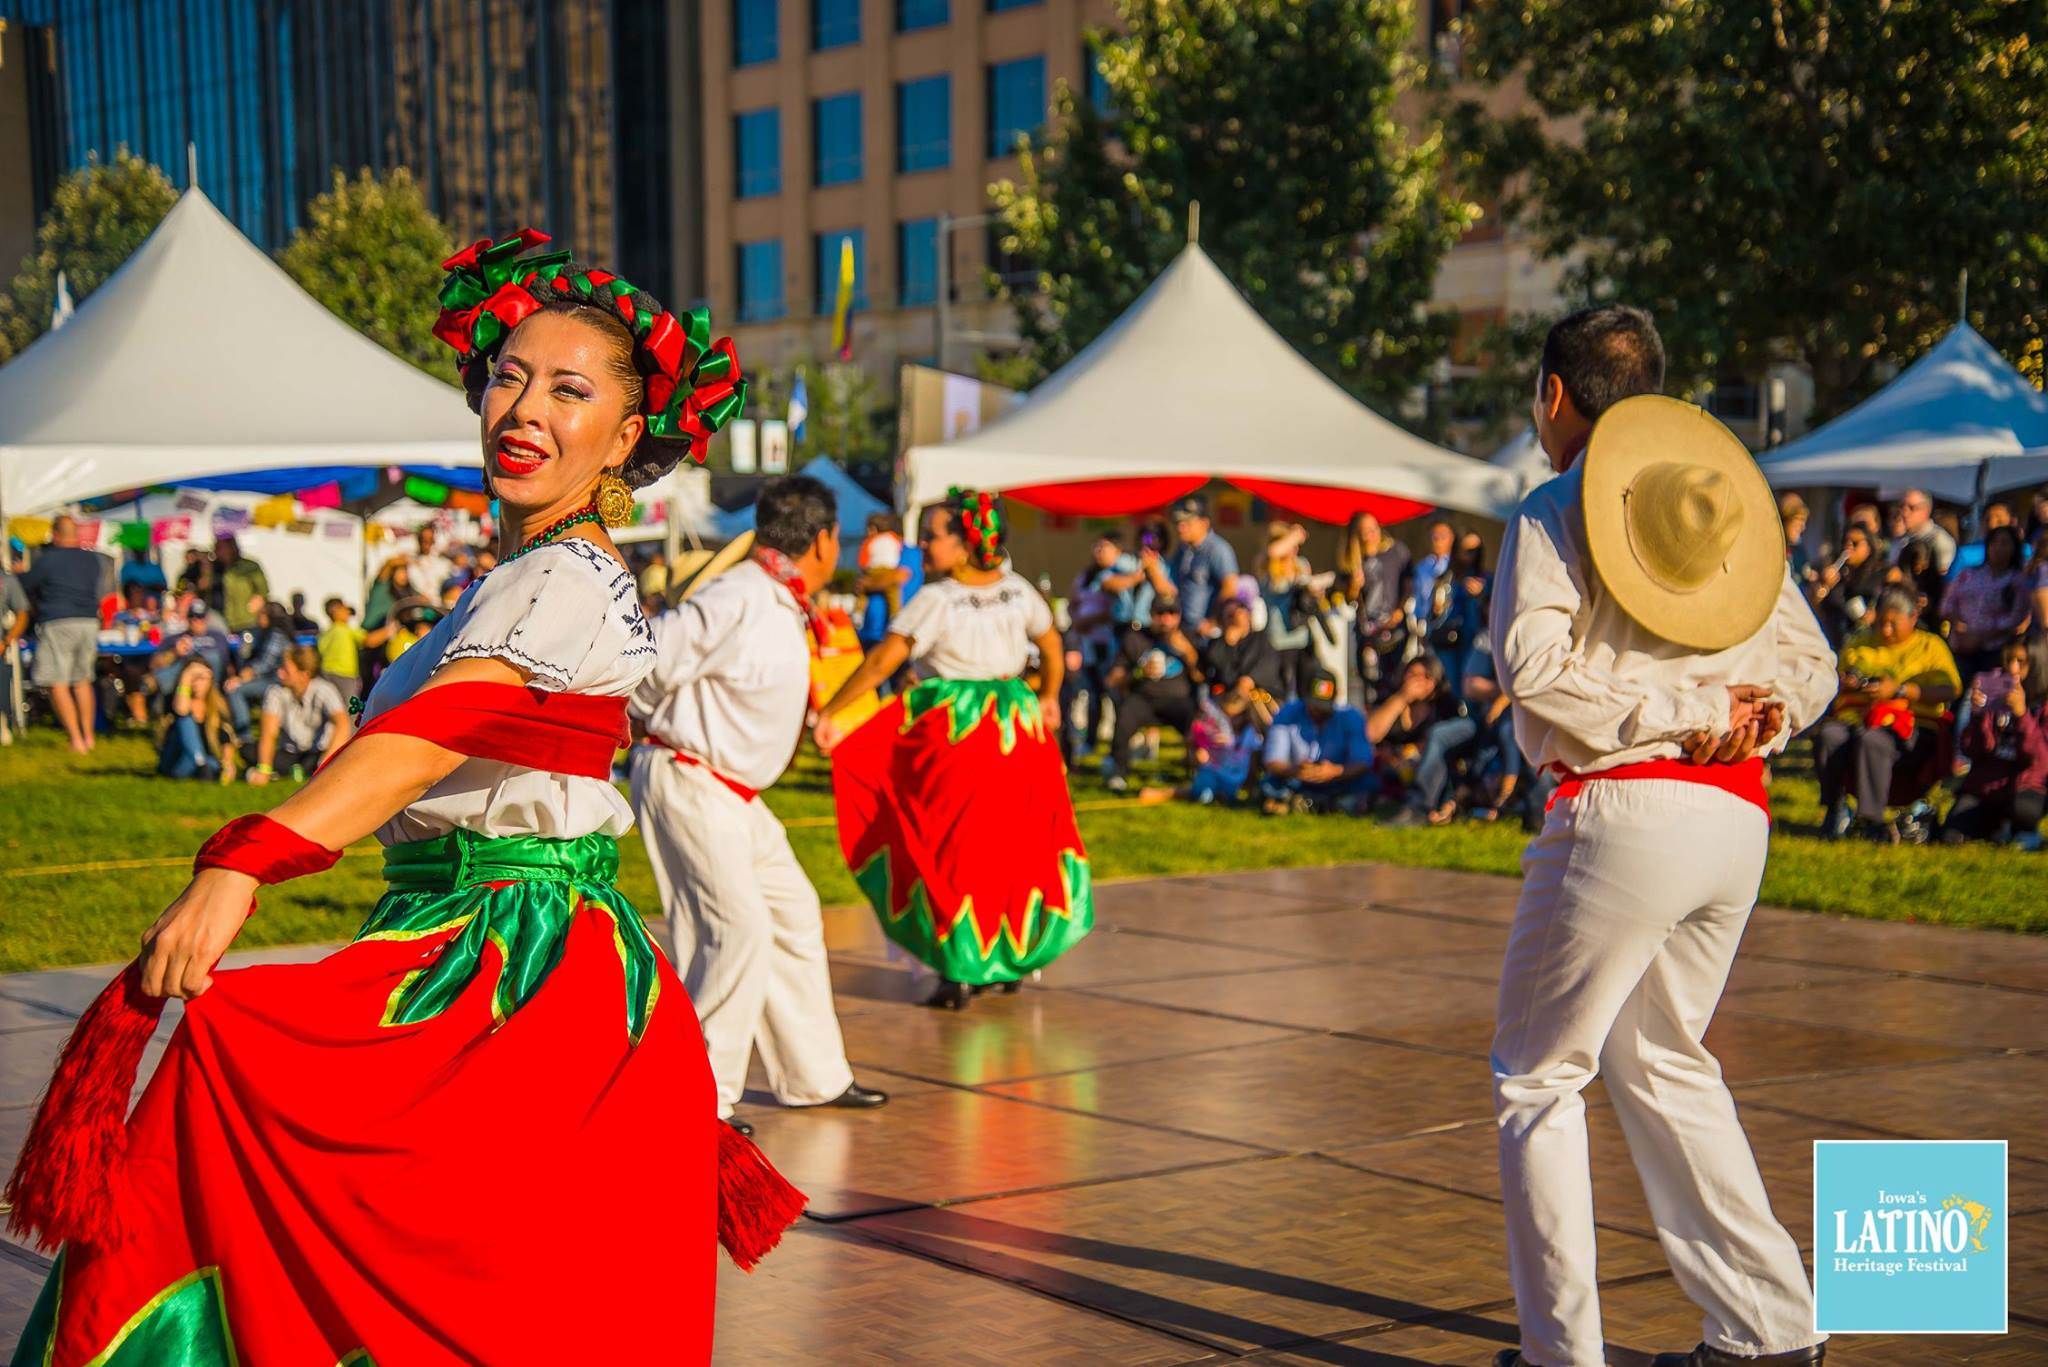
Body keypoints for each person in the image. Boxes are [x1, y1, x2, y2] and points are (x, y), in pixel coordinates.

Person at [4, 229, 795, 1363]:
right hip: (462, 949)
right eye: (509, 375)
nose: (523, 406)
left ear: (625, 435)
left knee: (447, 1276)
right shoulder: (515, 576)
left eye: (567, 390)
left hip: (518, 977)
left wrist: (242, 861)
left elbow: (429, 737)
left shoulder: (568, 579)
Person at [1487, 307, 1836, 1367]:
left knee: (1536, 1078)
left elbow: (1530, 667)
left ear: (1555, 394)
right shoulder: (1721, 504)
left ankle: (1561, 1356)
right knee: (1660, 1058)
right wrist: (1758, 713)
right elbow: (1812, 667)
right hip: (1733, 818)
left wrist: (1672, 717)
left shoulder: (1554, 507)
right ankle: (1768, 1326)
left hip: (1618, 813)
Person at [629, 474, 887, 1133]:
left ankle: (814, 1075)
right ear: (825, 539)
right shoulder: (740, 592)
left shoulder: (775, 595)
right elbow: (651, 656)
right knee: (733, 929)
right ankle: (698, 1097)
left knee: (794, 911)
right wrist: (655, 723)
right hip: (692, 775)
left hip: (733, 790)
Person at [816, 488, 1093, 1010]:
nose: (922, 545)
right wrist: (1049, 696)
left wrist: (833, 710)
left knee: (952, 851)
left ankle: (961, 968)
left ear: (966, 542)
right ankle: (1008, 958)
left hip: (959, 734)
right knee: (1015, 848)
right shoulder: (1018, 590)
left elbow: (882, 664)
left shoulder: (936, 600)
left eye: (933, 535)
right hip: (1017, 730)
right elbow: (1052, 642)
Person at [1814, 587, 1962, 841]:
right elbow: (1836, 675)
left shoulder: (1930, 645)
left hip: (1913, 725)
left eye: (1893, 624)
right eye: (1881, 622)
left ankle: (1871, 819)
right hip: (1857, 715)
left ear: (1913, 618)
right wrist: (1847, 683)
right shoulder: (1860, 640)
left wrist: (1901, 691)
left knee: (1872, 739)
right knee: (1829, 735)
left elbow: (1951, 688)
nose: (1885, 630)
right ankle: (1835, 809)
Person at [4, 515, 110, 753]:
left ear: (55, 534)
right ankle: (89, 736)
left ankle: (76, 740)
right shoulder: (92, 560)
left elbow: (25, 584)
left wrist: (20, 572)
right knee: (83, 680)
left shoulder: (48, 560)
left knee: (56, 682)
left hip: (58, 622)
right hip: (88, 622)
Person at [1941, 635, 2047, 847]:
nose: (2013, 669)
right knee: (1951, 834)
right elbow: (1972, 750)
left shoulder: (2043, 705)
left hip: (2026, 785)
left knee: (2024, 810)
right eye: (2008, 660)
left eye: (2021, 662)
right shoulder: (1994, 693)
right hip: (1986, 785)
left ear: (2036, 663)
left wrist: (2022, 715)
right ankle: (1999, 828)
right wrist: (1978, 715)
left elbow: (2040, 760)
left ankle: (2019, 828)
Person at [1103, 595, 1205, 793]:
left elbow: (1202, 678)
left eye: (1171, 613)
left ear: (1179, 615)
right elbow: (1113, 679)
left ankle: (1199, 770)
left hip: (1179, 701)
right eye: (1160, 613)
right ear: (1151, 615)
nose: (1166, 619)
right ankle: (1119, 772)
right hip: (1145, 699)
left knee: (1197, 721)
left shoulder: (1189, 638)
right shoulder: (1136, 638)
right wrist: (1139, 672)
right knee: (1126, 715)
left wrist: (1188, 652)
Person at [1067, 532, 1147, 756]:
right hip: (1088, 644)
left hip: (1112, 643)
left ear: (1118, 551)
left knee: (1115, 692)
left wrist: (1090, 620)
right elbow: (1073, 602)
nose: (1099, 551)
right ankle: (1091, 742)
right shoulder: (1086, 576)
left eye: (1105, 547)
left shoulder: (1124, 572)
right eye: (1097, 546)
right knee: (1092, 694)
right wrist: (1077, 620)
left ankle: (1125, 743)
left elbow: (1117, 608)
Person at [1259, 668, 1373, 814]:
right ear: (1305, 696)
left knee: (1367, 782)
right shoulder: (1287, 713)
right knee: (1270, 782)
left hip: (1339, 779)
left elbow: (1363, 761)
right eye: (1315, 706)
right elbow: (1272, 760)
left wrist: (1335, 771)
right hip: (1297, 779)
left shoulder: (1351, 717)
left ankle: (1297, 803)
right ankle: (1328, 804)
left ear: (1336, 696)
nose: (1319, 711)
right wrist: (1296, 770)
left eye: (1323, 707)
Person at [244, 645, 353, 783]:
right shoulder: (275, 692)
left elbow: (342, 724)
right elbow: (269, 733)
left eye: (286, 670)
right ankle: (292, 771)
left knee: (332, 758)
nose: (280, 673)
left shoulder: (324, 690)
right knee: (247, 750)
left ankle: (300, 771)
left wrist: (325, 761)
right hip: (289, 753)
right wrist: (264, 768)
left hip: (317, 753)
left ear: (304, 674)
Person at [1335, 510, 1411, 696]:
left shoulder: (1397, 551)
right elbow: (1348, 599)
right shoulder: (1353, 561)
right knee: (1370, 682)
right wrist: (1354, 585)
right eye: (1365, 530)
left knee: (1396, 678)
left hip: (1395, 626)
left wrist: (1400, 611)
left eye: (1374, 528)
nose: (1372, 534)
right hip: (1368, 631)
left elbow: (1409, 584)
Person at [1944, 524, 2030, 676]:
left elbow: (2016, 618)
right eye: (1994, 542)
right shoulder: (1968, 574)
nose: (1998, 548)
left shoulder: (2017, 582)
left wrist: (1982, 635)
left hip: (1995, 650)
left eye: (2004, 543)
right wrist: (1958, 624)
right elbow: (1948, 603)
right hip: (1962, 645)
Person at [1143, 493, 1238, 631]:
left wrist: (1214, 622)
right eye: (1178, 523)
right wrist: (1152, 570)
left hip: (1208, 634)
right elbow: (1171, 590)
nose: (1181, 527)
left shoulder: (1218, 549)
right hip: (1186, 629)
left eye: (1187, 523)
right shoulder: (1182, 551)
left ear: (1204, 523)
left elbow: (1230, 588)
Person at [156, 657, 238, 782]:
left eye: (201, 678)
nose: (196, 683)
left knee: (213, 764)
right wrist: (186, 676)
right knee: (185, 720)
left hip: (206, 759)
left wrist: (227, 763)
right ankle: (202, 765)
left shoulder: (218, 705)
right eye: (193, 677)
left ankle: (204, 767)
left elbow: (225, 737)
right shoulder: (174, 700)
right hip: (177, 761)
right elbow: (182, 711)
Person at [1259, 520, 1316, 696]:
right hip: (1279, 641)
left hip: (1303, 638)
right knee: (1284, 693)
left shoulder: (1302, 564)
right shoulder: (1267, 566)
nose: (1294, 549)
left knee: (1306, 690)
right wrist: (1294, 535)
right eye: (1290, 544)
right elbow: (1273, 552)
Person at [1810, 521, 1887, 644]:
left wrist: (1874, 617)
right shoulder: (1837, 576)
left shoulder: (1878, 577)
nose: (1848, 546)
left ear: (1869, 547)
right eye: (1845, 542)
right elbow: (1814, 609)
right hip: (1832, 639)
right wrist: (1824, 587)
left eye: (1855, 543)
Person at [225, 599, 293, 737]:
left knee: (235, 690)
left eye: (262, 614)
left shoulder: (277, 634)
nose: (258, 617)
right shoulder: (265, 632)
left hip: (275, 680)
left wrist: (241, 678)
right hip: (268, 677)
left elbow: (265, 663)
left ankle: (245, 737)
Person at [855, 511, 907, 646]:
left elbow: (863, 559)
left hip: (874, 570)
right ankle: (896, 617)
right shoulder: (894, 540)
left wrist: (867, 580)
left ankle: (858, 613)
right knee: (894, 595)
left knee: (862, 595)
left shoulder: (870, 541)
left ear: (873, 529)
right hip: (890, 568)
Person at [1888, 487, 1956, 576]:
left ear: (1926, 510)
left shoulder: (1940, 542)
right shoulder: (1902, 538)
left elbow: (1941, 579)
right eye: (1902, 506)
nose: (1904, 513)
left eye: (1912, 508)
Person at [211, 533, 270, 634]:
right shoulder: (213, 569)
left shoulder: (250, 567)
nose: (215, 550)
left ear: (231, 548)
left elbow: (263, 592)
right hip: (220, 624)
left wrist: (261, 611)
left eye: (219, 547)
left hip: (246, 623)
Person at [317, 596, 368, 696]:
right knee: (349, 707)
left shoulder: (325, 633)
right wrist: (389, 630)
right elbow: (368, 640)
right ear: (336, 611)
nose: (348, 613)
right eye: (345, 610)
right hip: (344, 675)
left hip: (326, 673)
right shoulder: (344, 629)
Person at [407, 523, 455, 602]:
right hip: (417, 606)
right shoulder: (410, 562)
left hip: (439, 607)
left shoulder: (445, 563)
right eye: (423, 539)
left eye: (430, 539)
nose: (426, 543)